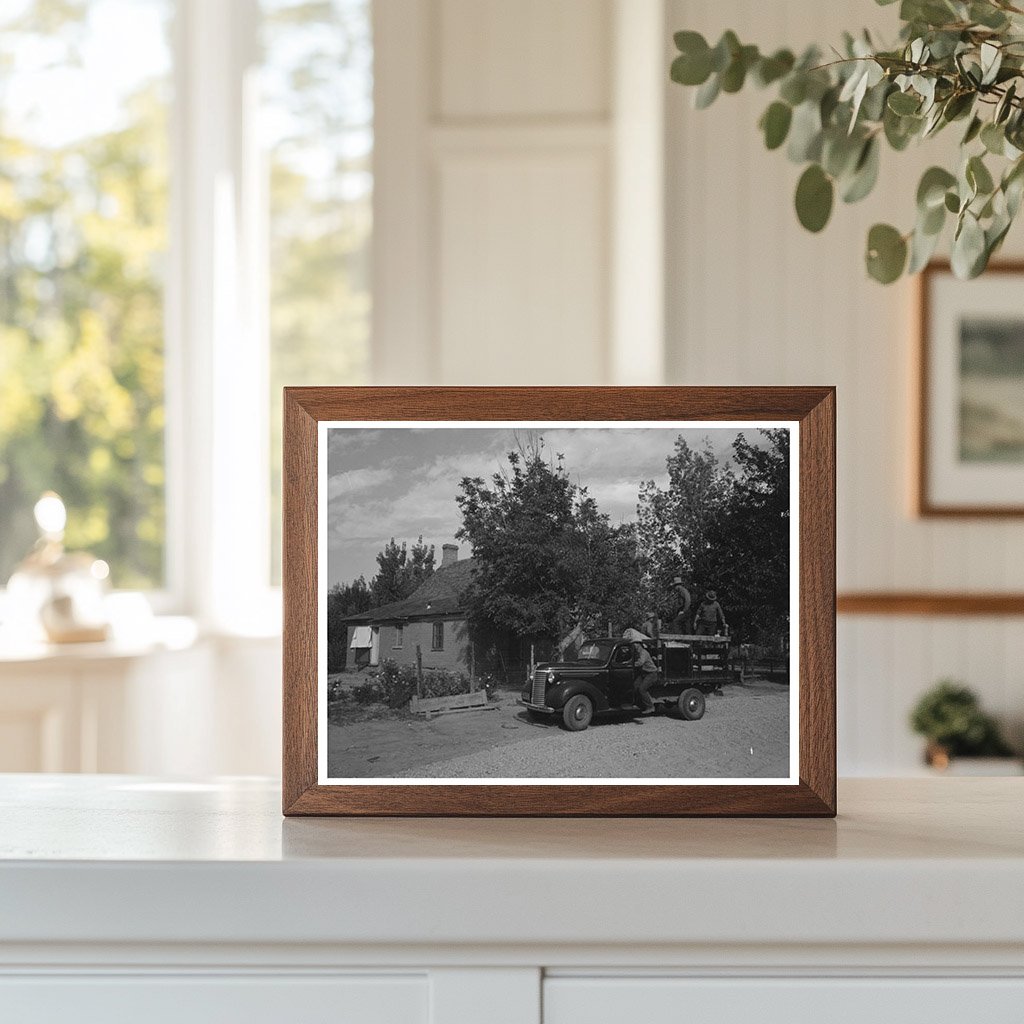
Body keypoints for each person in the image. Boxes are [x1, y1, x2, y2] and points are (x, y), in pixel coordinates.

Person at [633, 640, 659, 715]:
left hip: (651, 673)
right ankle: (640, 704)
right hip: (643, 673)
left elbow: (640, 663)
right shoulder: (637, 652)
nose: (634, 645)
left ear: (639, 644)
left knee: (642, 689)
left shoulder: (643, 653)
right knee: (635, 686)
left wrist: (631, 664)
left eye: (635, 644)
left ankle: (650, 706)